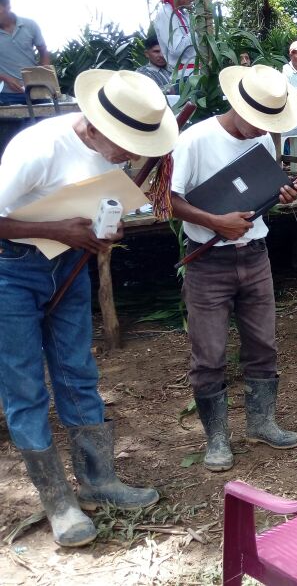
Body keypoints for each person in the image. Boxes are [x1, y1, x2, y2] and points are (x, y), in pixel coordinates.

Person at [0, 70, 176, 547]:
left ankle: (98, 480)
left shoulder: (107, 152)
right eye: (124, 143)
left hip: (70, 265)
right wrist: (61, 232)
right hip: (12, 271)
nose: (131, 154)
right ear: (96, 125)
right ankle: (58, 500)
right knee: (23, 384)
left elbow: (102, 205)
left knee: (78, 371)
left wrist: (104, 230)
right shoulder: (39, 148)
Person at [171, 65, 297, 472]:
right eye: (257, 120)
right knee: (208, 353)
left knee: (263, 344)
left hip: (255, 255)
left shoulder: (261, 140)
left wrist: (282, 194)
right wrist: (216, 222)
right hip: (208, 260)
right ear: (236, 103)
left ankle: (262, 422)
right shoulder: (194, 140)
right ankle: (216, 438)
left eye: (269, 122)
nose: (262, 129)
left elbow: (257, 197)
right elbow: (167, 201)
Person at [0, 0, 50, 104]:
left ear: (8, 6)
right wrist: (4, 78)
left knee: (44, 122)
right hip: (6, 95)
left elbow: (43, 51)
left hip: (36, 91)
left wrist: (44, 73)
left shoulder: (30, 25)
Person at [153, 0, 196, 82]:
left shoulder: (184, 14)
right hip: (184, 78)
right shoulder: (165, 13)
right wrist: (198, 30)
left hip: (195, 74)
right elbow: (176, 49)